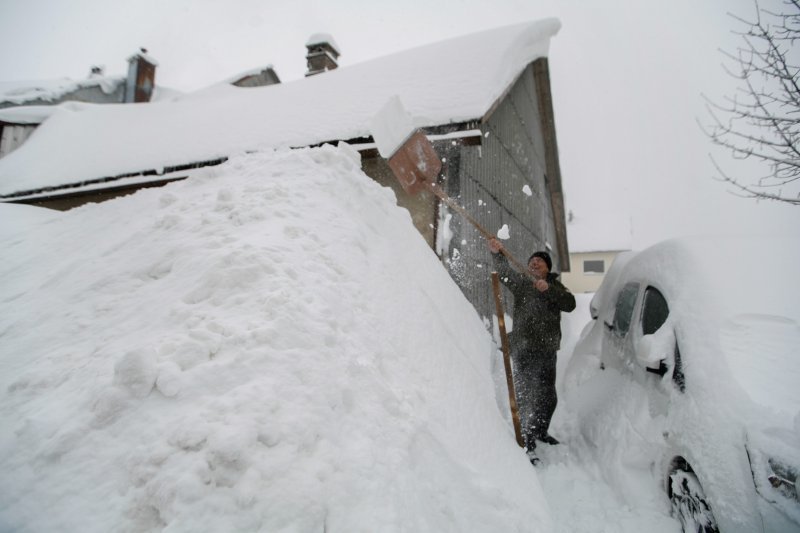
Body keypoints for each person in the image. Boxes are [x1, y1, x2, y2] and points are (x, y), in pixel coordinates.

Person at [488, 238, 575, 456]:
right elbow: (504, 273)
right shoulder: (523, 284)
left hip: (547, 351)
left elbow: (570, 304)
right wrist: (497, 253)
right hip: (524, 349)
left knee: (548, 397)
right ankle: (527, 441)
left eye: (540, 261)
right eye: (532, 261)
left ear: (547, 269)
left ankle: (541, 431)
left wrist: (548, 290)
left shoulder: (555, 287)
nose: (535, 263)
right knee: (527, 396)